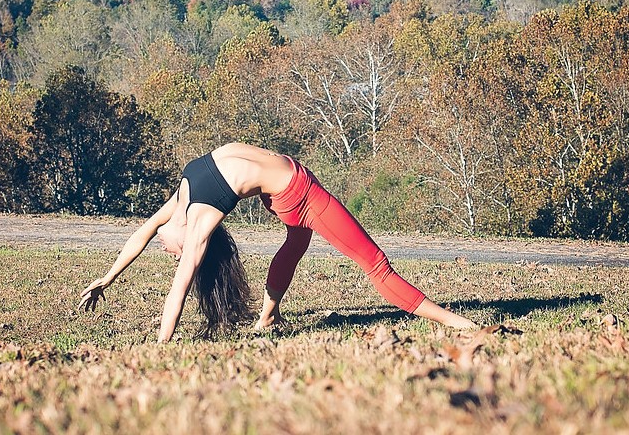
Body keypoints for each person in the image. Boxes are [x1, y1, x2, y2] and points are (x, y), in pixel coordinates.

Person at [78, 143, 478, 342]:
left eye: (174, 252)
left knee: (301, 245)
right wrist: (158, 339)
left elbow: (154, 250)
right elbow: (163, 263)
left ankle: (267, 317)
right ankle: (459, 323)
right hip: (297, 192)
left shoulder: (186, 206)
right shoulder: (191, 212)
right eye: (176, 254)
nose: (169, 252)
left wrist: (110, 282)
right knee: (371, 263)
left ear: (182, 237)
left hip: (291, 195)